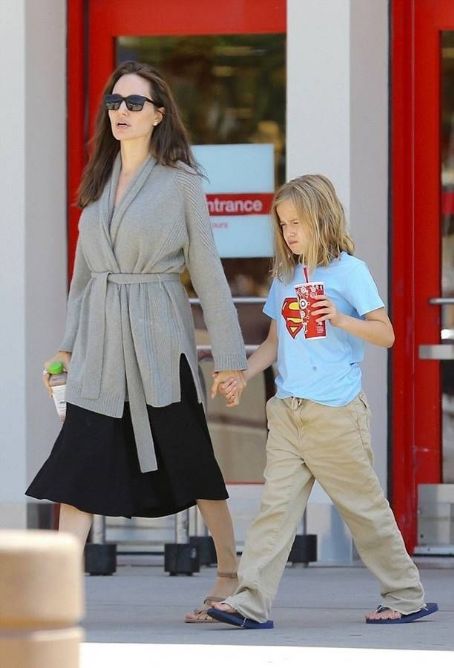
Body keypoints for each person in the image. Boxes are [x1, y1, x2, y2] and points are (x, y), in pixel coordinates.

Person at [26, 60, 247, 623]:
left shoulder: (182, 185)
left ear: (157, 114)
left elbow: (210, 276)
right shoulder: (96, 181)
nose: (120, 111)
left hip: (157, 340)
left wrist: (229, 360)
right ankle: (53, 596)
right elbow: (81, 279)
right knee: (78, 463)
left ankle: (230, 577)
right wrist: (68, 347)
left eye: (133, 103)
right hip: (100, 345)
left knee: (192, 459)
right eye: (114, 102)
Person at [207, 174, 438, 628]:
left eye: (298, 223)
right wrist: (243, 374)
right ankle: (250, 603)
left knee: (364, 510)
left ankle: (407, 596)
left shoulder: (350, 271)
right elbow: (275, 342)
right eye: (284, 224)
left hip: (336, 414)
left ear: (323, 219)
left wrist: (339, 317)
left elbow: (386, 333)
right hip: (288, 412)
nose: (290, 232)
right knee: (274, 510)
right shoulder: (285, 277)